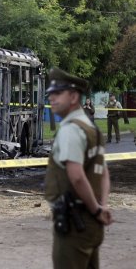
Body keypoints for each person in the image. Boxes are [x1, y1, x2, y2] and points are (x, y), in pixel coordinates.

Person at [45, 67, 113, 269]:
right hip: (92, 225)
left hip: (74, 223)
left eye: (58, 93)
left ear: (74, 96)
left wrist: (95, 209)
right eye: (50, 94)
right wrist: (102, 207)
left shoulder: (70, 130)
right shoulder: (91, 128)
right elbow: (104, 172)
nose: (52, 98)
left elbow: (76, 177)